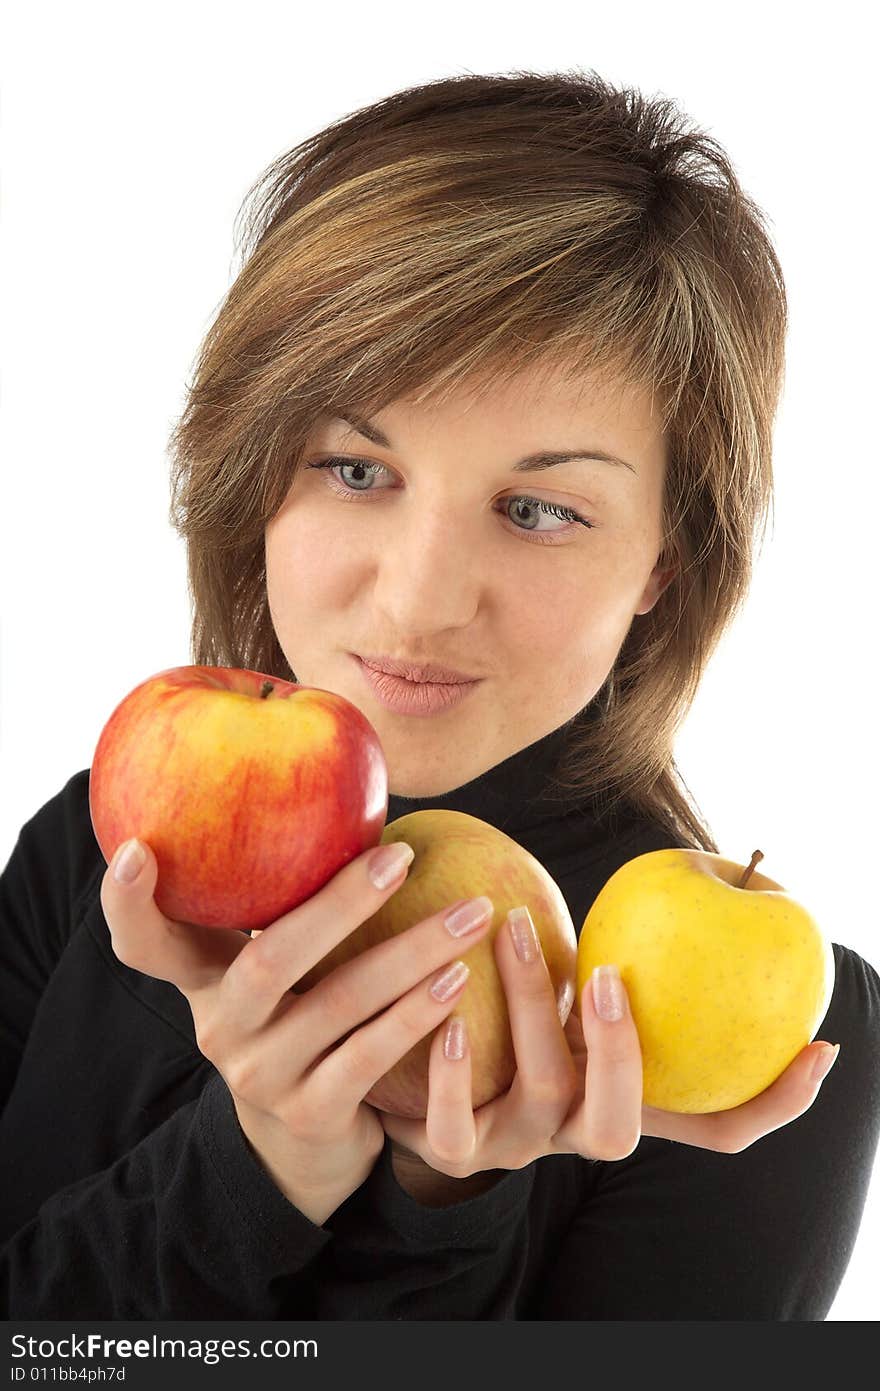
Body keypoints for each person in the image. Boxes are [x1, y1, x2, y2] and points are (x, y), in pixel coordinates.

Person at [2, 67, 878, 1322]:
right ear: (258, 477)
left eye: (537, 509)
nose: (416, 601)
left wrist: (443, 1202)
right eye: (356, 467)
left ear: (661, 567)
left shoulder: (756, 1040)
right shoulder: (103, 854)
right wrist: (252, 1171)